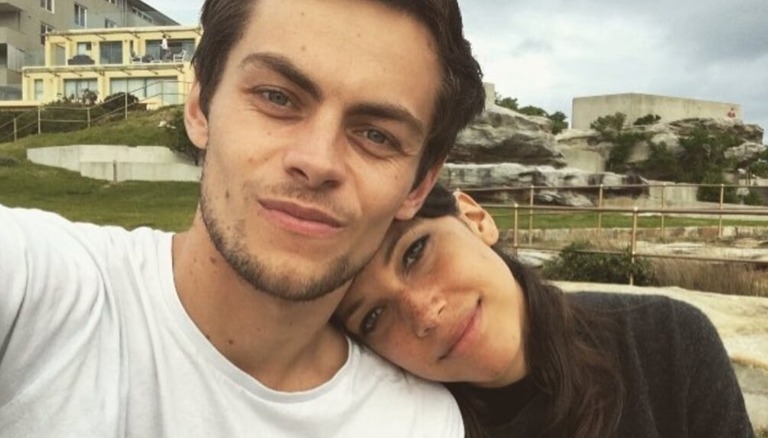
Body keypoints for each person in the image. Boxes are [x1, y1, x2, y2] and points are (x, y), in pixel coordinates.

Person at [0, 0, 485, 436]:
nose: (317, 162)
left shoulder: (419, 423)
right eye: (277, 97)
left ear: (419, 186)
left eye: (376, 136)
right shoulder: (37, 290)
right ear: (199, 106)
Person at [336, 184, 756, 438]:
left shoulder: (666, 341)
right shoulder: (408, 424)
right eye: (373, 317)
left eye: (415, 252)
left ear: (475, 218)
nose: (424, 315)